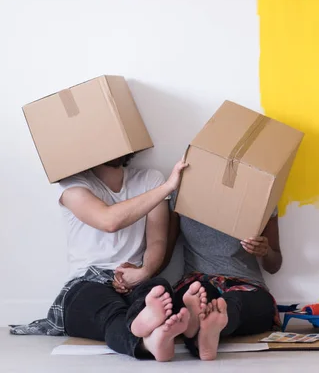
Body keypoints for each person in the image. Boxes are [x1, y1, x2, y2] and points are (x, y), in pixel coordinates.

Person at [10, 154, 209, 362]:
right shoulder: (72, 184)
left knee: (158, 288)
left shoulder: (150, 179)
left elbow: (157, 241)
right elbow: (109, 221)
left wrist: (144, 272)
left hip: (133, 280)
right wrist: (168, 187)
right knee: (107, 310)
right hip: (86, 283)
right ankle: (146, 341)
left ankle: (152, 329)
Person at [164, 193, 283, 361]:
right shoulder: (183, 190)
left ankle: (206, 327)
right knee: (198, 297)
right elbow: (165, 252)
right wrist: (138, 274)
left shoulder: (261, 193)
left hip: (246, 284)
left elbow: (274, 265)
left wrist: (265, 251)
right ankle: (205, 326)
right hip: (198, 281)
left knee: (235, 303)